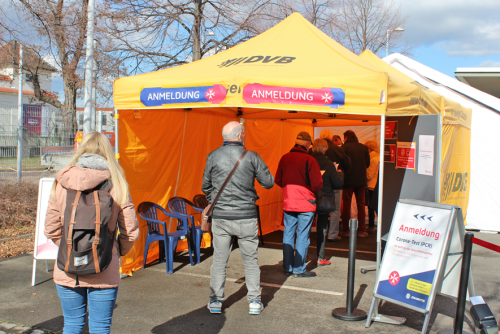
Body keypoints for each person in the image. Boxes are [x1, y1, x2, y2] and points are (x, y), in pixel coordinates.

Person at [44, 131, 140, 334]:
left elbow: (51, 229)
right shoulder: (118, 183)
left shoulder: (62, 181)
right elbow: (130, 231)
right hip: (104, 265)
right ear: (107, 151)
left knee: (71, 324)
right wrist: (115, 251)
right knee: (100, 327)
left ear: (81, 150)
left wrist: (71, 246)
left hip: (67, 265)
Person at [202, 121, 274, 315]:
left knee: (219, 260)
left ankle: (216, 301)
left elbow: (206, 186)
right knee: (250, 261)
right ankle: (254, 302)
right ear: (241, 135)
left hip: (221, 217)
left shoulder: (213, 156)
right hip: (246, 216)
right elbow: (268, 183)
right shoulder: (251, 157)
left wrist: (214, 201)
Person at [275, 131, 323, 278]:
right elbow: (317, 184)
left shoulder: (285, 158)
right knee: (303, 236)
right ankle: (298, 269)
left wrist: (290, 189)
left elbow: (278, 179)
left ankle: (287, 266)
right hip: (306, 203)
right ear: (308, 144)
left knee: (288, 233)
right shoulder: (310, 160)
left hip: (289, 201)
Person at [310, 138, 344, 265]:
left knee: (305, 229)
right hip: (324, 199)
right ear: (324, 148)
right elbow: (337, 183)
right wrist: (340, 173)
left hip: (308, 198)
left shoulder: (308, 160)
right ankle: (320, 257)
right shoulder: (329, 164)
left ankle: (304, 256)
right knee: (322, 227)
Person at [319, 130, 351, 242]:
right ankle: (332, 234)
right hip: (335, 183)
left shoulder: (315, 150)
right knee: (335, 209)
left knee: (319, 209)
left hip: (319, 184)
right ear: (330, 137)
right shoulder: (337, 148)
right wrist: (341, 171)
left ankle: (320, 233)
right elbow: (347, 162)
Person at [340, 130, 370, 238]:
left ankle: (345, 229)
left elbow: (341, 164)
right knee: (361, 204)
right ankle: (362, 230)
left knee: (346, 205)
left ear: (346, 137)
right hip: (361, 180)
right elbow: (367, 164)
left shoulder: (344, 148)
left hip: (348, 180)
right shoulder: (364, 147)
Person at [365, 140, 380, 234]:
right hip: (376, 185)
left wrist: (365, 169)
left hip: (371, 185)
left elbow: (369, 175)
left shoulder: (373, 159)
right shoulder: (379, 157)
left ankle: (371, 227)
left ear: (369, 149)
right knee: (376, 206)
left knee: (371, 207)